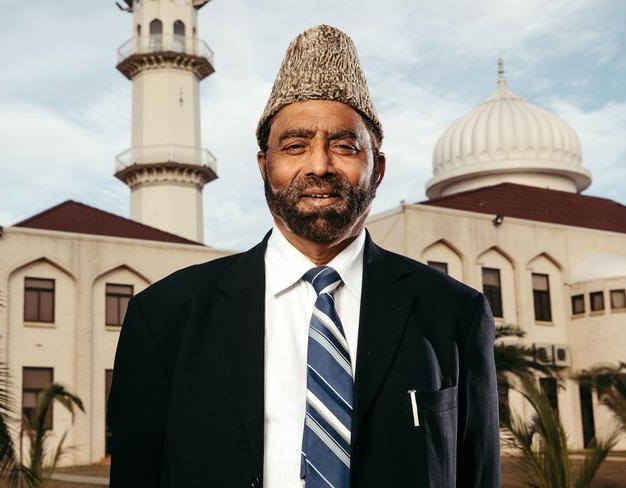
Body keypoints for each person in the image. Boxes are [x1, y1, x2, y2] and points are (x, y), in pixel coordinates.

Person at [108, 25, 500, 488]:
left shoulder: (452, 314)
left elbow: (476, 472)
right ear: (264, 165)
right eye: (295, 146)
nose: (319, 165)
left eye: (345, 146)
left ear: (378, 170)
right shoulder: (166, 318)